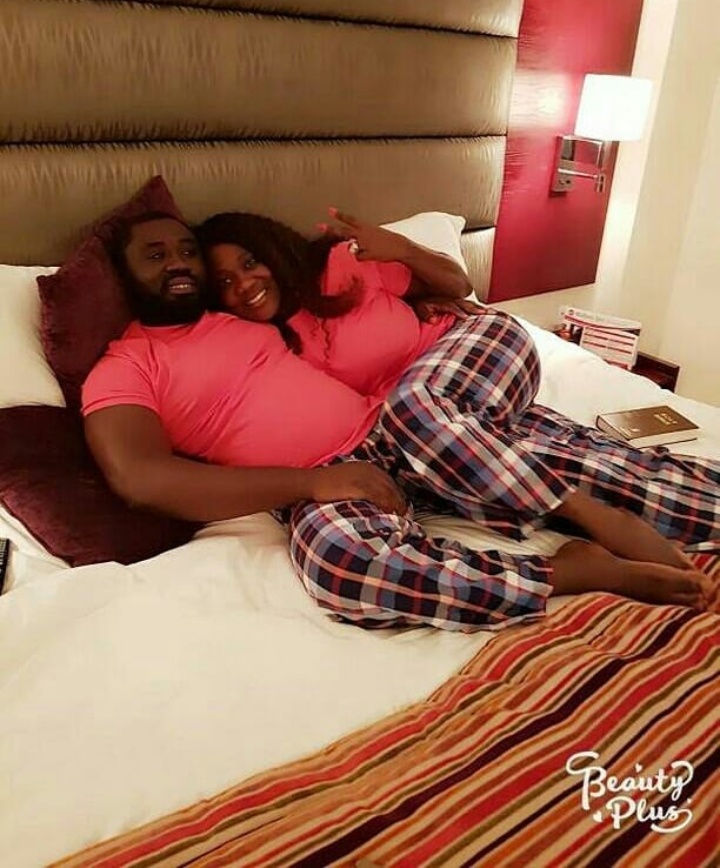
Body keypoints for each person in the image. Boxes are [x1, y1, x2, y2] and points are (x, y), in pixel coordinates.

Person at [83, 212, 712, 635]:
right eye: (155, 255)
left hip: (409, 430)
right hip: (328, 477)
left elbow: (388, 308)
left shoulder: (258, 303)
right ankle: (567, 572)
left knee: (644, 485)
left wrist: (425, 294)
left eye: (186, 251)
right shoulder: (126, 365)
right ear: (123, 273)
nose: (180, 264)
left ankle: (596, 511)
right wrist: (311, 485)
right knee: (338, 562)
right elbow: (141, 478)